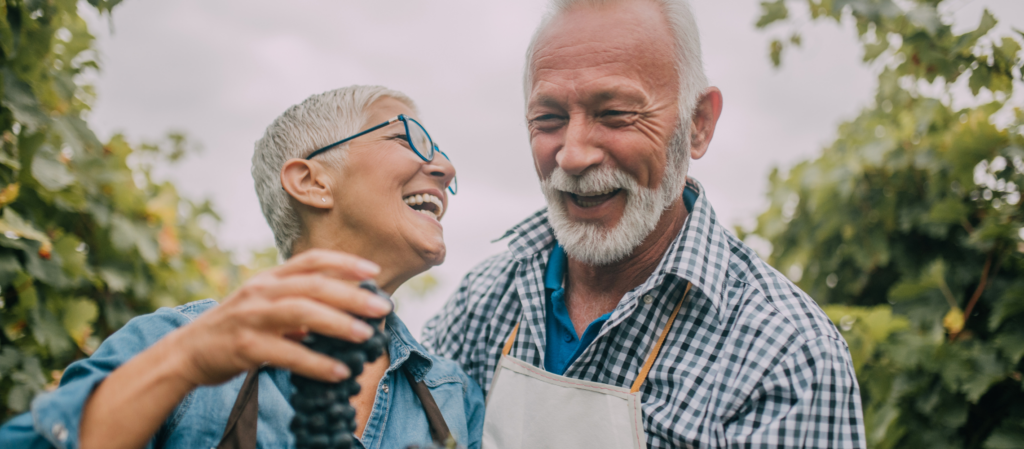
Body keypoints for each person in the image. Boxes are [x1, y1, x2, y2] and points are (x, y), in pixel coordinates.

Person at [421, 0, 866, 448]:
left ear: (698, 123)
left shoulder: (784, 353)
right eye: (549, 118)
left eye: (615, 114)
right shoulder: (486, 298)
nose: (573, 155)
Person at [0, 86, 485, 449]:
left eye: (437, 150)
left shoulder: (453, 397)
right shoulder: (169, 344)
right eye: (406, 140)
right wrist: (184, 362)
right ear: (311, 181)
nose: (445, 166)